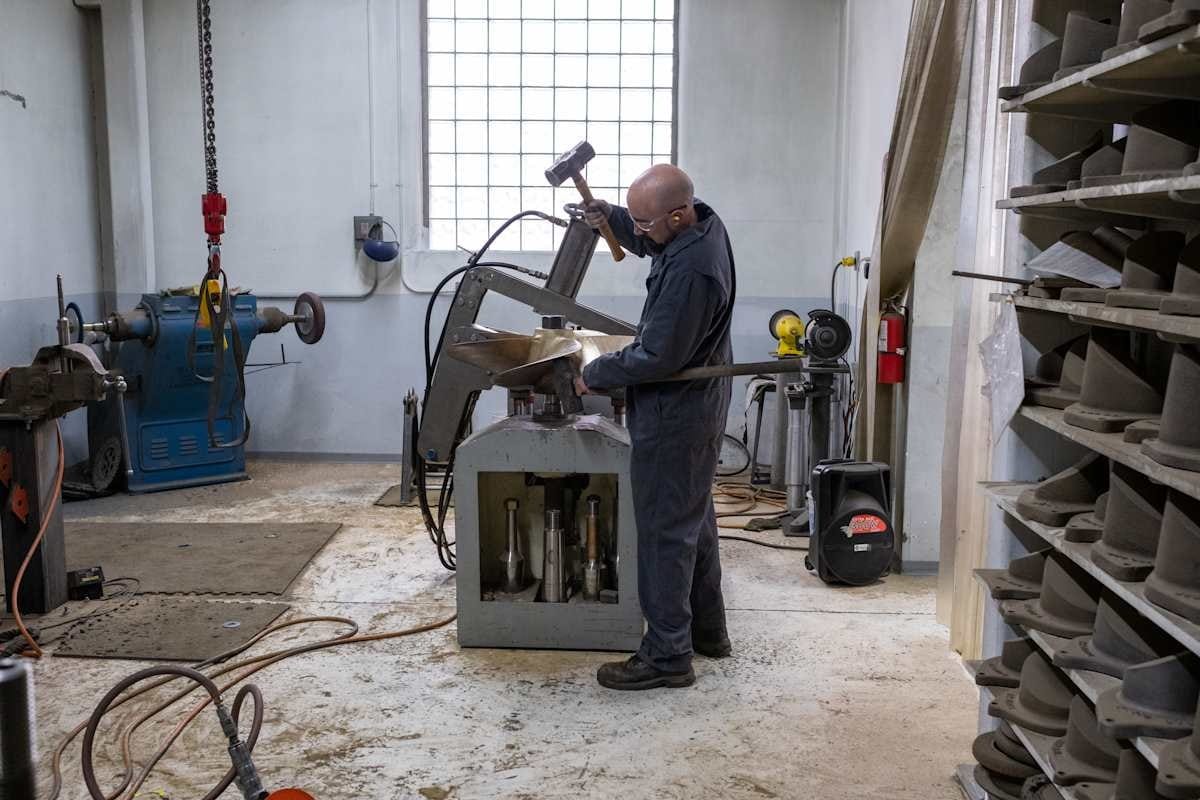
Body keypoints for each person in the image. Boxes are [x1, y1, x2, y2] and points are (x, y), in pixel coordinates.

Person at [575, 164, 736, 690]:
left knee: (665, 531)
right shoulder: (702, 224)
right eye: (636, 220)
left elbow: (657, 355)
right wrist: (615, 220)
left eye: (646, 222)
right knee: (694, 518)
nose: (640, 232)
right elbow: (654, 243)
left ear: (677, 213)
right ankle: (708, 631)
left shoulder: (692, 271)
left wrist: (592, 375)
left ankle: (667, 656)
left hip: (676, 410)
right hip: (701, 401)